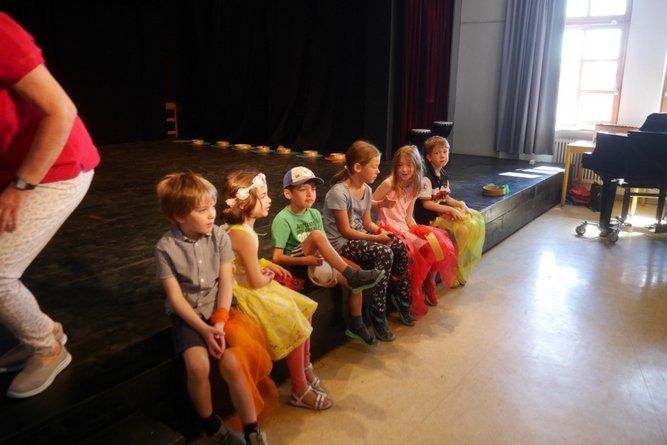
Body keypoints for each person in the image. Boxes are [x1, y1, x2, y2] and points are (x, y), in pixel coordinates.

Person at [0, 12, 100, 398]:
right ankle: (39, 334)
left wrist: (20, 186)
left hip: (54, 169)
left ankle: (48, 347)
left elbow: (61, 111)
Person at [155, 173, 273, 445]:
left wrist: (218, 322)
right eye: (202, 210)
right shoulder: (165, 249)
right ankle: (212, 426)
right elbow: (176, 299)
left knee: (233, 363)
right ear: (179, 216)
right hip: (190, 316)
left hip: (220, 309)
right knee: (197, 365)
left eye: (212, 206)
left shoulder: (220, 236)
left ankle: (252, 430)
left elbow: (226, 283)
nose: (212, 214)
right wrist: (205, 330)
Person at [222, 171, 333, 411]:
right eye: (263, 196)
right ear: (246, 203)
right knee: (293, 317)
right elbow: (254, 281)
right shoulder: (244, 235)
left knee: (306, 307)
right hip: (245, 291)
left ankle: (305, 366)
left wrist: (265, 264)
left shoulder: (242, 229)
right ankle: (299, 388)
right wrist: (268, 276)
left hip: (247, 282)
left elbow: (243, 261)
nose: (269, 199)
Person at [271, 166, 384, 346]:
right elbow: (277, 257)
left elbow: (325, 247)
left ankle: (356, 323)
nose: (310, 194)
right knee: (317, 235)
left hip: (316, 261)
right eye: (303, 189)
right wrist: (306, 260)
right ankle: (350, 274)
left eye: (313, 189)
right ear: (288, 194)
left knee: (357, 278)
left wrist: (332, 270)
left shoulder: (314, 214)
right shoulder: (283, 219)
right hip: (298, 264)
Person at [322, 141, 412, 343]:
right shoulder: (339, 192)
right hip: (341, 243)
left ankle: (400, 294)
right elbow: (345, 231)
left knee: (398, 244)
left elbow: (368, 223)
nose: (378, 171)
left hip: (358, 237)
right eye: (374, 166)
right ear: (357, 167)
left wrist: (383, 232)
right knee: (384, 252)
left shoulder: (367, 190)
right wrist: (376, 239)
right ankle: (377, 311)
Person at [372, 145, 458, 316]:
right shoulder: (389, 184)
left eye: (409, 165)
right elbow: (368, 202)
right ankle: (413, 289)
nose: (404, 169)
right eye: (400, 165)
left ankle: (426, 283)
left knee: (434, 244)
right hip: (387, 226)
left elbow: (408, 216)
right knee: (413, 251)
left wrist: (418, 231)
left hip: (403, 226)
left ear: (416, 167)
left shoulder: (415, 186)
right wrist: (381, 204)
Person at [414, 136, 485, 286]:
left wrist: (460, 204)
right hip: (428, 218)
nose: (442, 156)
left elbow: (445, 197)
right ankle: (450, 266)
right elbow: (427, 204)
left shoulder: (443, 174)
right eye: (437, 153)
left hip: (440, 214)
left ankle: (455, 264)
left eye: (445, 152)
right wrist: (450, 210)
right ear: (428, 157)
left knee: (467, 226)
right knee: (461, 229)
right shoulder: (426, 177)